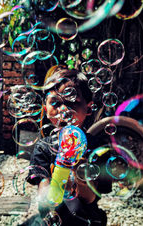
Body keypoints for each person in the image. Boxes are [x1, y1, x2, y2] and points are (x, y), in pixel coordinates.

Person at [24, 66, 111, 226]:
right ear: (46, 109)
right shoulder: (43, 147)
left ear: (89, 108)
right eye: (55, 103)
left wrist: (78, 171)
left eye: (72, 102)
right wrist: (61, 167)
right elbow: (46, 200)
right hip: (51, 218)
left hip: (88, 219)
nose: (63, 110)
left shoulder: (97, 147)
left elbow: (89, 198)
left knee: (79, 211)